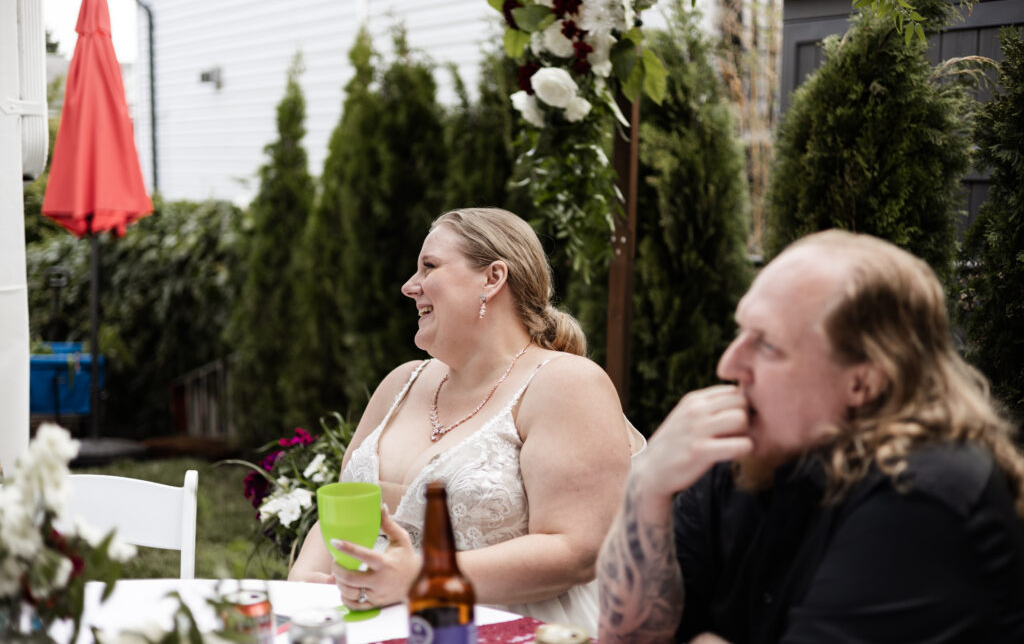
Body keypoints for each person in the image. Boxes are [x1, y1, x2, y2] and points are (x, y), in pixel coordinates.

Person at [597, 229, 1024, 644]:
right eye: (741, 332)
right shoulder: (737, 454)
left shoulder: (925, 496)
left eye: (767, 346)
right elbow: (625, 637)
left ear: (863, 381)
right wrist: (647, 487)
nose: (728, 365)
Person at [290, 207, 644, 634]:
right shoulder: (401, 382)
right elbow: (346, 506)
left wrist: (423, 578)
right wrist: (305, 584)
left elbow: (578, 551)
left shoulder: (566, 384)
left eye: (429, 266)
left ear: (493, 278)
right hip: (374, 628)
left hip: (510, 630)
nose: (409, 286)